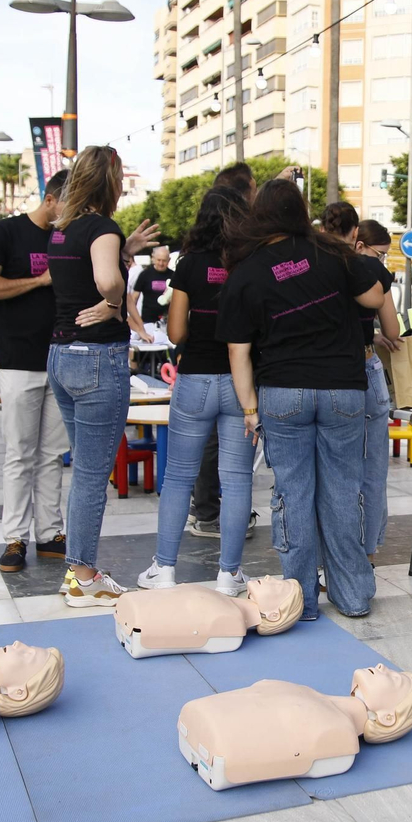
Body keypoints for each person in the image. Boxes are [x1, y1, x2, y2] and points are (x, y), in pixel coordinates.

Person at [217, 177, 387, 620]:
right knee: (342, 492)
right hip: (343, 391)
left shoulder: (247, 270)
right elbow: (373, 294)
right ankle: (351, 596)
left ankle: (301, 601)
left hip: (282, 394)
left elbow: (238, 352)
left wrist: (250, 410)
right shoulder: (332, 253)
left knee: (292, 494)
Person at [47, 146, 160, 606]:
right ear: (111, 183)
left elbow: (86, 263)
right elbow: (107, 280)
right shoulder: (103, 228)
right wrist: (114, 303)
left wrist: (124, 249)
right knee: (94, 476)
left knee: (84, 471)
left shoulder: (63, 230)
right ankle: (83, 576)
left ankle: (77, 569)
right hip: (97, 357)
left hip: (60, 354)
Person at [140, 185, 257, 591]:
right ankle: (229, 574)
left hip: (194, 381)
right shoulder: (249, 262)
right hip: (241, 385)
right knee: (238, 479)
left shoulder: (188, 265)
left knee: (178, 477)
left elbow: (175, 331)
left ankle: (164, 569)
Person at [0, 169, 69, 573]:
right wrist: (38, 280)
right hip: (17, 359)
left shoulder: (70, 236)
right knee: (19, 453)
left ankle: (50, 533)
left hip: (62, 358)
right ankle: (14, 537)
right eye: (69, 204)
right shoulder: (7, 233)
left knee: (52, 454)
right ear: (51, 199)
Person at [352, 221, 402, 561]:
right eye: (380, 254)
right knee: (372, 473)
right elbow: (394, 329)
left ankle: (335, 555)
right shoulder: (371, 273)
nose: (382, 262)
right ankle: (367, 554)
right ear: (360, 245)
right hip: (366, 371)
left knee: (337, 473)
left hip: (329, 375)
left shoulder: (324, 267)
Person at [133, 245, 175, 333]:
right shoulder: (145, 274)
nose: (161, 263)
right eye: (159, 260)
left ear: (169, 260)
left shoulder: (174, 276)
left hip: (169, 320)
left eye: (164, 260)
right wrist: (135, 320)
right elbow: (134, 298)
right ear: (153, 258)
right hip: (148, 321)